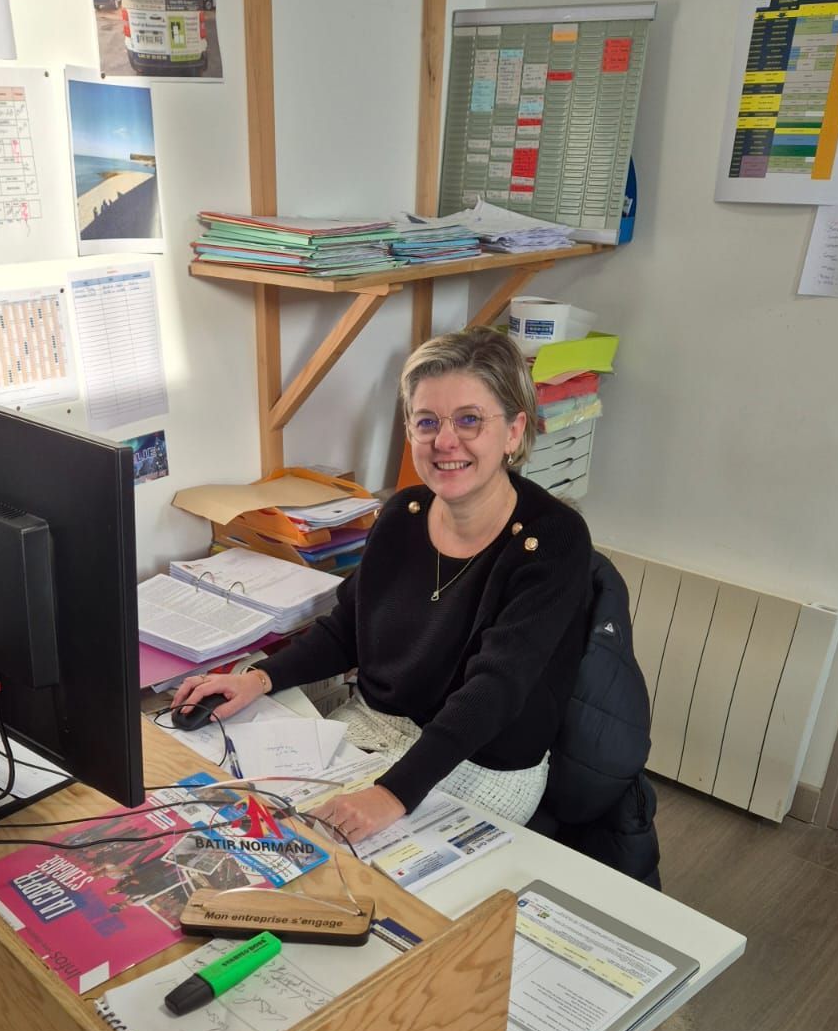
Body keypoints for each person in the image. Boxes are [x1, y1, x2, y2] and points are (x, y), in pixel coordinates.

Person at [172, 326, 593, 843]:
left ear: (512, 431)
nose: (445, 441)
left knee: (341, 864)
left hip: (483, 759)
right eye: (427, 422)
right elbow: (347, 630)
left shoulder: (552, 539)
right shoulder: (401, 515)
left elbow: (494, 692)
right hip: (377, 727)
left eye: (469, 420)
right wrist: (257, 679)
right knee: (254, 824)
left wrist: (392, 794)